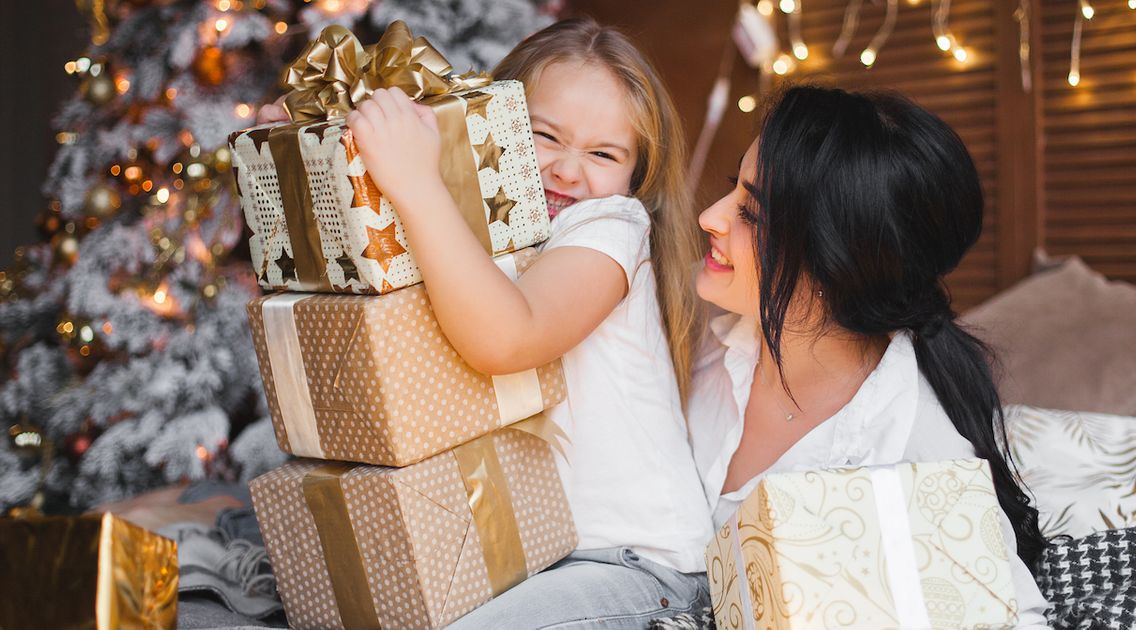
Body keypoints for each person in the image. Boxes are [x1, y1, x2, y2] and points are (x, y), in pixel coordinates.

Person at [347, 18, 714, 627]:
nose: (568, 170)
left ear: (634, 176)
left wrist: (413, 179)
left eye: (603, 153)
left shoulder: (612, 227)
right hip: (525, 557)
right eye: (544, 136)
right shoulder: (472, 234)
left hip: (636, 572)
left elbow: (508, 336)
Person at [688, 85, 1051, 626]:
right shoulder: (713, 342)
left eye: (754, 215)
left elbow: (1012, 615)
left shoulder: (911, 454)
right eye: (732, 188)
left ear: (839, 267)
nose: (711, 218)